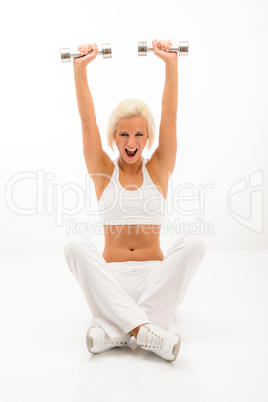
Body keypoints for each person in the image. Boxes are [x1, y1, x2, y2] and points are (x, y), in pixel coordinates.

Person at [64, 40, 206, 362]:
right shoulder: (102, 170)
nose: (131, 142)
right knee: (74, 247)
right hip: (110, 277)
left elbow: (169, 116)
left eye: (139, 135)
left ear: (148, 138)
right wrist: (79, 70)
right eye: (124, 134)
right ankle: (146, 332)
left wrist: (171, 64)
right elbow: (88, 122)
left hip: (154, 278)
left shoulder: (158, 169)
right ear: (114, 136)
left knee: (194, 243)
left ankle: (113, 331)